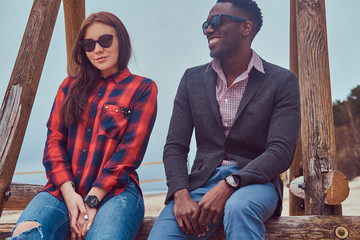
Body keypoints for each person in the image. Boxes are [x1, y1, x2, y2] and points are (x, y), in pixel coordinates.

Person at [148, 0, 300, 239]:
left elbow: (280, 151)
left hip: (256, 184)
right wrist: (180, 193)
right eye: (206, 24)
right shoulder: (192, 79)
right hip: (200, 185)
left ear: (246, 28)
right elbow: (176, 146)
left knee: (239, 208)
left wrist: (231, 183)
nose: (209, 29)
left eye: (217, 21)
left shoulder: (282, 81)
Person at [7, 11, 157, 240]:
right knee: (25, 235)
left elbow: (129, 151)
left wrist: (92, 200)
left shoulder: (142, 88)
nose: (97, 49)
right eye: (89, 44)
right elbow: (54, 140)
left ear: (121, 39)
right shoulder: (69, 86)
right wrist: (70, 195)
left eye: (105, 40)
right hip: (61, 191)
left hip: (116, 194)